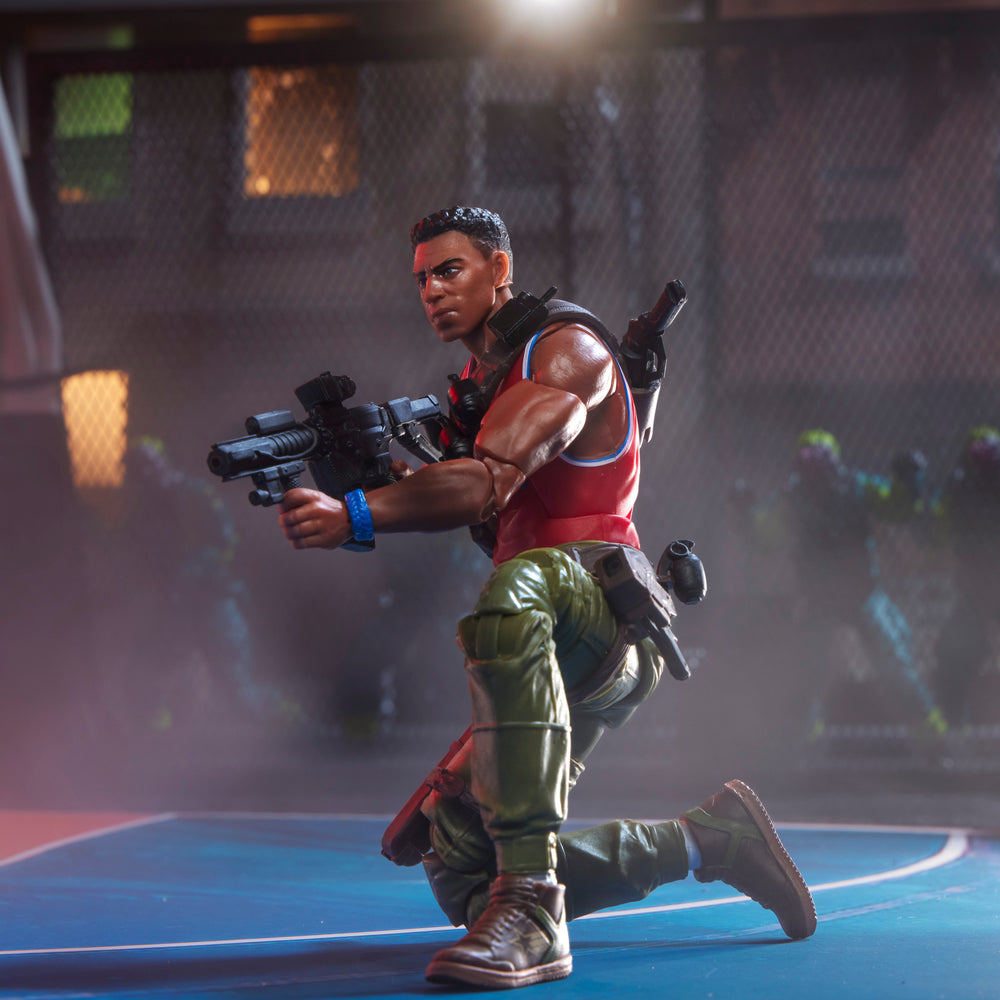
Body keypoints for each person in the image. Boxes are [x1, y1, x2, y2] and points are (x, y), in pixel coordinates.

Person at [277, 206, 815, 989]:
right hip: (549, 626)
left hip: (599, 606)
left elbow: (488, 482)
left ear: (500, 269)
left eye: (450, 270)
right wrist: (379, 481)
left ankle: (532, 910)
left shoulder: (564, 351)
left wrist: (355, 514)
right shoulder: (482, 383)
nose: (432, 291)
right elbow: (477, 496)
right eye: (422, 279)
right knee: (460, 868)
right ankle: (711, 841)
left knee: (517, 584)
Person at [736, 429, 941, 743]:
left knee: (894, 662)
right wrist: (746, 518)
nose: (818, 473)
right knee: (807, 670)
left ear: (835, 462)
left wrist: (909, 481)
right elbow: (766, 539)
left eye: (823, 460)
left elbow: (896, 507)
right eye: (809, 462)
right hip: (820, 597)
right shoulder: (794, 499)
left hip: (862, 592)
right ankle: (799, 742)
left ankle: (932, 736)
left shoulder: (855, 487)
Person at [929, 425, 1000, 729]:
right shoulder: (958, 490)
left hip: (979, 582)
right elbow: (936, 535)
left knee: (955, 651)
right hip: (976, 585)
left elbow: (936, 535)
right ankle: (953, 726)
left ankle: (954, 723)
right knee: (954, 652)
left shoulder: (959, 488)